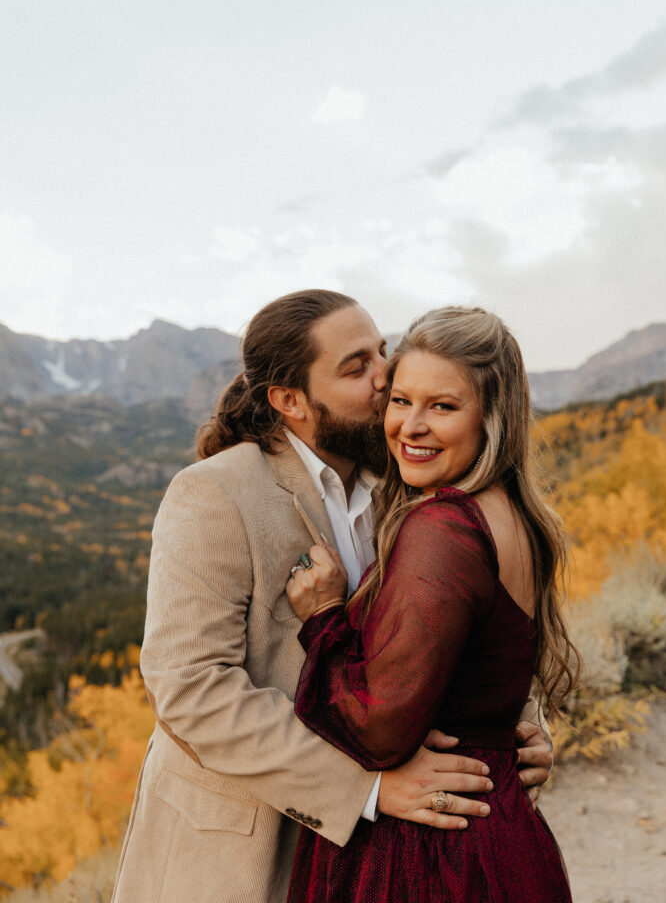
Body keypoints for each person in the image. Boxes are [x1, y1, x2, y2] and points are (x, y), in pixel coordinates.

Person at [111, 291, 553, 903]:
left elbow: (447, 626)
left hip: (371, 859)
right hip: (241, 854)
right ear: (291, 401)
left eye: (381, 353)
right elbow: (190, 689)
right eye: (356, 368)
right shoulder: (213, 494)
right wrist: (366, 788)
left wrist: (511, 723)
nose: (385, 378)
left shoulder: (402, 486)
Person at [286, 305, 578, 903]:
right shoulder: (515, 515)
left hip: (429, 854)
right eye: (399, 400)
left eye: (442, 407)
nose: (410, 427)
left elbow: (379, 728)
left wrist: (322, 619)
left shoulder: (443, 527)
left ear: (491, 418)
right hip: (494, 831)